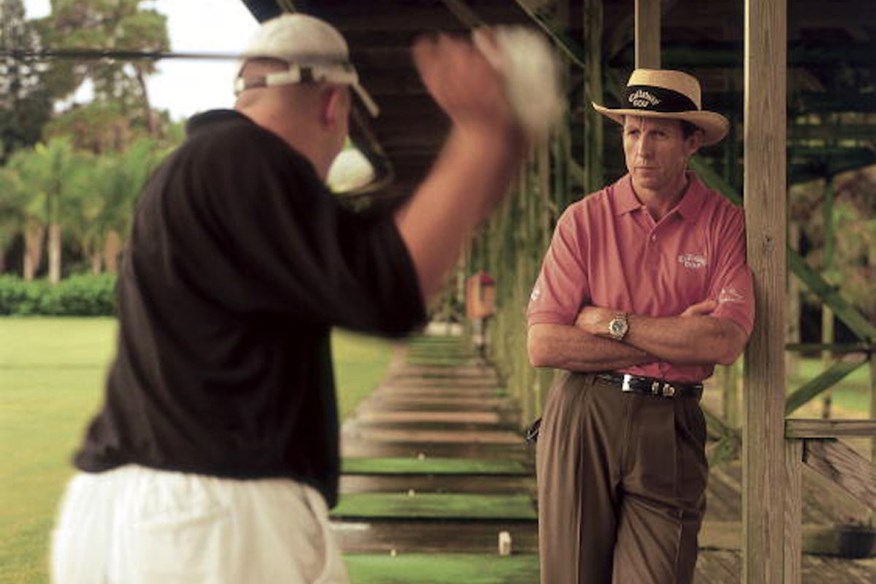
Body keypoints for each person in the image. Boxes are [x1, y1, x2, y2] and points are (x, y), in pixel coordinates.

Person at [50, 13, 529, 584]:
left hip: (132, 515)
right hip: (212, 521)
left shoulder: (191, 170)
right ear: (333, 105)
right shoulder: (245, 158)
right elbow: (384, 287)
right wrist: (483, 131)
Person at [526, 68, 755, 584]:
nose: (642, 149)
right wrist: (675, 338)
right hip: (584, 412)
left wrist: (611, 323)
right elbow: (543, 345)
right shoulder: (582, 220)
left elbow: (722, 340)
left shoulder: (725, 223)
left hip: (671, 423)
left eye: (659, 133)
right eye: (633, 132)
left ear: (692, 141)